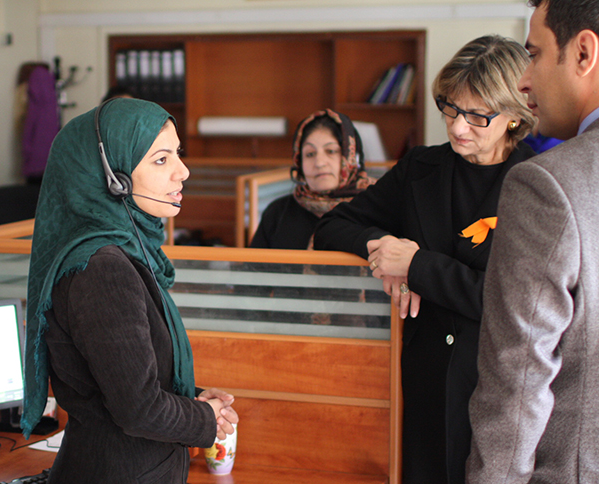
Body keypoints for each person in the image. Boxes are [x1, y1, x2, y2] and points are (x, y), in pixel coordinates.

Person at [313, 35, 537, 484]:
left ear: (514, 115)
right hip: (419, 381)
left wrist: (417, 266)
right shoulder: (421, 167)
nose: (457, 127)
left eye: (477, 115)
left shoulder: (534, 184)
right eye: (451, 108)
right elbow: (333, 227)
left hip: (495, 388)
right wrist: (388, 255)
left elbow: (509, 301)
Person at [20, 98, 237, 483]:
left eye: (177, 156)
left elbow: (129, 378)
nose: (182, 171)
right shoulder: (101, 270)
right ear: (113, 178)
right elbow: (139, 409)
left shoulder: (125, 253)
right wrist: (204, 418)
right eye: (161, 160)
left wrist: (193, 402)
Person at [466, 2, 599, 482]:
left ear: (584, 52)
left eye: (535, 54)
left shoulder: (547, 185)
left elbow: (517, 386)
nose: (523, 82)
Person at [249, 109, 375, 249]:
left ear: (352, 158)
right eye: (310, 154)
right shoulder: (278, 213)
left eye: (331, 151)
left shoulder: (374, 208)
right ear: (299, 162)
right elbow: (251, 269)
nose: (319, 163)